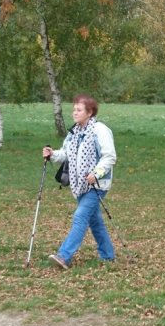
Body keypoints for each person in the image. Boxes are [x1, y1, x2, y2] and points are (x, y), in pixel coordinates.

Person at [42, 94, 117, 269]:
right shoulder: (74, 133)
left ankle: (63, 256)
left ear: (89, 112)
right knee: (95, 221)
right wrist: (52, 153)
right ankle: (108, 255)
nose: (74, 113)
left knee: (80, 216)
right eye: (74, 110)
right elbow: (65, 154)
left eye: (79, 110)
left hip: (97, 184)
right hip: (79, 185)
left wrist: (96, 173)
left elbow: (109, 156)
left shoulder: (100, 130)